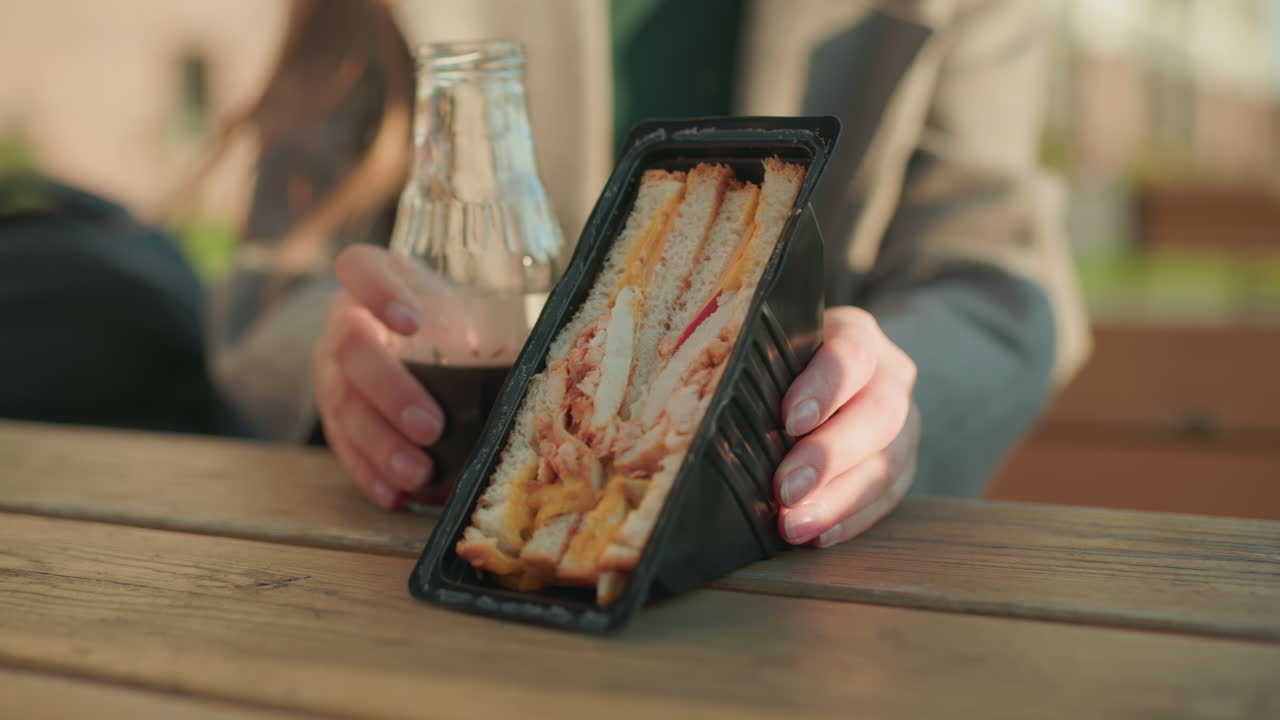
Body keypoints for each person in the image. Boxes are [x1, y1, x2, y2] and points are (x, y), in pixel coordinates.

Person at [204, 0, 1090, 549]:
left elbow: (991, 277)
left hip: (807, 587)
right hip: (435, 547)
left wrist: (887, 397)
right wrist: (341, 367)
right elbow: (277, 276)